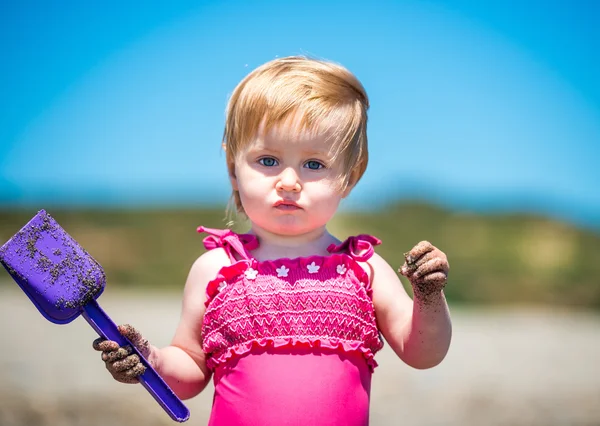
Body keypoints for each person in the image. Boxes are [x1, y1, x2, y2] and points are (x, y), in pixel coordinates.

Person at [93, 56, 452, 425]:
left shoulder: (363, 269)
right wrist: (150, 360)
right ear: (234, 170)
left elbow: (423, 353)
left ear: (349, 177)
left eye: (314, 164)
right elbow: (190, 370)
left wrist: (428, 295)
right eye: (268, 160)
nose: (289, 181)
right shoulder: (216, 269)